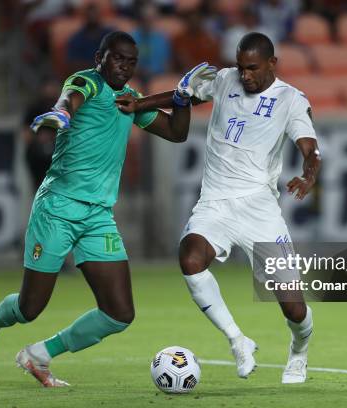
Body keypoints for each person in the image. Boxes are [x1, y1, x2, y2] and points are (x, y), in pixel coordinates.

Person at [0, 31, 216, 387]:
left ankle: (39, 355)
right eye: (118, 59)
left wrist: (181, 98)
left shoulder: (129, 100)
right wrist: (60, 114)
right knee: (30, 307)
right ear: (100, 57)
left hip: (98, 216)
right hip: (58, 208)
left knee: (119, 313)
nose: (124, 67)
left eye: (131, 62)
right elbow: (70, 99)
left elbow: (176, 134)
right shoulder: (87, 81)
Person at [118, 32, 321, 384]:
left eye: (253, 69)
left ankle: (299, 351)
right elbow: (185, 95)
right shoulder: (225, 79)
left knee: (294, 307)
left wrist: (308, 175)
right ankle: (237, 340)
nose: (245, 76)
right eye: (241, 67)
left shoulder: (290, 99)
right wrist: (141, 104)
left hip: (260, 209)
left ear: (273, 63)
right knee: (190, 258)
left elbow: (310, 148)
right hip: (215, 202)